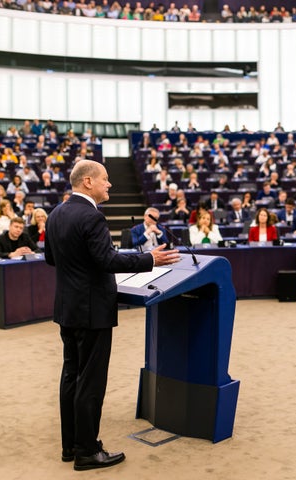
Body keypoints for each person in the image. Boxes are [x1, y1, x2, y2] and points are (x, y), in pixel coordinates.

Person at [44, 160, 180, 471]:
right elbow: (106, 260)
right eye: (105, 179)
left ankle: (71, 445)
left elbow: (52, 259)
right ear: (88, 181)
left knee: (71, 376)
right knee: (90, 382)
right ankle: (88, 451)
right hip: (92, 312)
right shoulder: (91, 216)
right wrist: (150, 258)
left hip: (67, 309)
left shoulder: (56, 214)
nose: (110, 184)